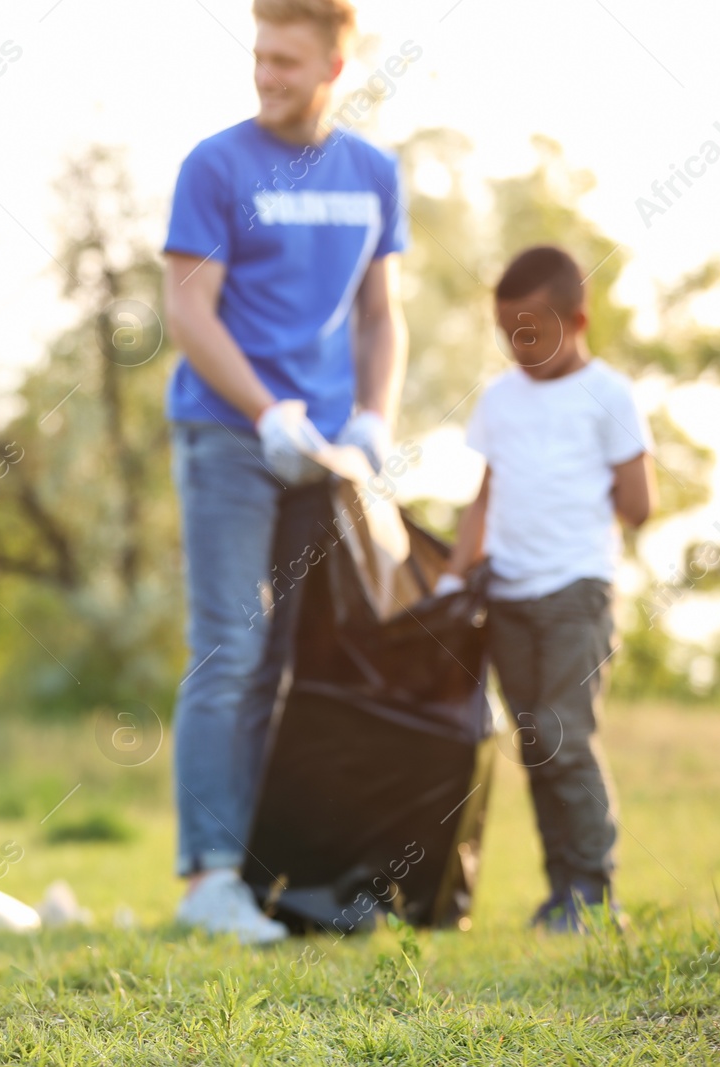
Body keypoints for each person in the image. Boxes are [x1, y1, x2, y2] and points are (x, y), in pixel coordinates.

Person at [160, 0, 409, 942]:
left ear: (338, 64)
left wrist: (377, 418)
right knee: (232, 648)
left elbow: (382, 314)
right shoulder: (215, 165)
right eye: (260, 55)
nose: (267, 74)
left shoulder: (373, 173)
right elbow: (190, 313)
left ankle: (279, 869)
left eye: (288, 61)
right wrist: (266, 412)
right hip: (227, 435)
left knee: (301, 663)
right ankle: (207, 881)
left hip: (331, 456)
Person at [441, 245, 656, 932]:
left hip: (576, 591)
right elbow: (484, 496)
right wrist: (453, 573)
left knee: (566, 737)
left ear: (578, 318)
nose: (518, 347)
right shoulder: (499, 399)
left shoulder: (611, 395)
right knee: (535, 743)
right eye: (508, 334)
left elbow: (640, 502)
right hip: (507, 593)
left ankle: (594, 890)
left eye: (531, 333)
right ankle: (560, 889)